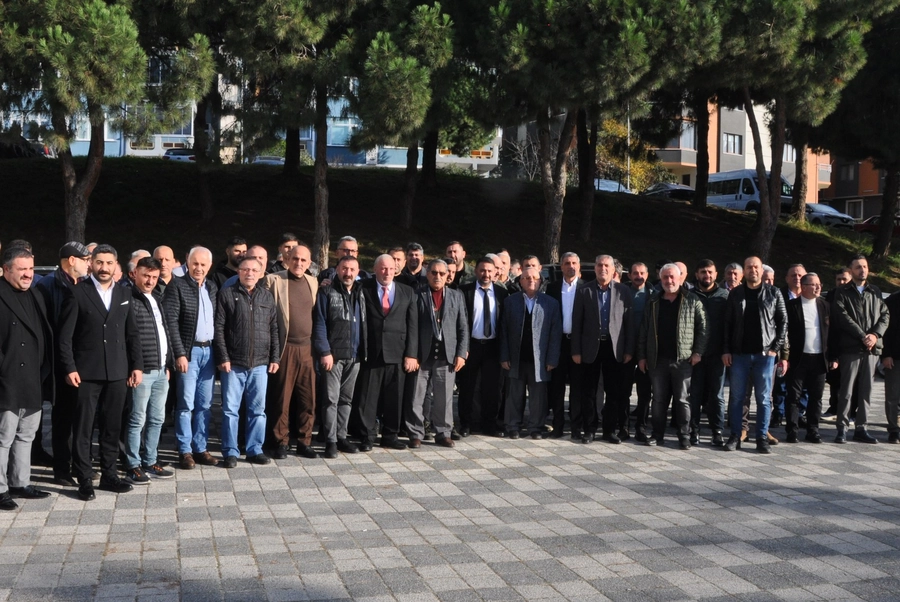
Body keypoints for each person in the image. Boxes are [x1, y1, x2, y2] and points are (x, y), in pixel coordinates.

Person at [58, 244, 144, 501]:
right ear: (91, 263)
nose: (104, 268)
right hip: (86, 373)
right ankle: (84, 478)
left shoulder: (124, 293)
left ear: (116, 265)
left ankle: (109, 475)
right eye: (99, 262)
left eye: (109, 263)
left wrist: (137, 365)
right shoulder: (77, 293)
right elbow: (65, 337)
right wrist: (69, 367)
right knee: (83, 428)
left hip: (118, 371)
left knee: (112, 427)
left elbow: (132, 334)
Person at [0, 247, 54, 510]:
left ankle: (20, 482)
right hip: (6, 379)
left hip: (33, 377)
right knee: (4, 437)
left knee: (27, 435)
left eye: (31, 269)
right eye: (22, 269)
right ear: (6, 269)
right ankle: (0, 489)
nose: (28, 274)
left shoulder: (36, 293)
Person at [215, 256, 281, 467]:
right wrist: (223, 357)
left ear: (261, 274)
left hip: (260, 364)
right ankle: (230, 451)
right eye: (245, 269)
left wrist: (275, 357)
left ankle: (254, 449)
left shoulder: (267, 297)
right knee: (230, 410)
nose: (249, 273)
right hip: (233, 364)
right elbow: (219, 329)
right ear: (238, 272)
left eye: (254, 270)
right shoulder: (227, 294)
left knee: (257, 411)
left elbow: (273, 329)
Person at [36, 241, 91, 482]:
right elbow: (48, 327)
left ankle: (80, 465)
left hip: (84, 361)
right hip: (60, 363)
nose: (89, 264)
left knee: (82, 418)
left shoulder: (85, 283)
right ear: (71, 260)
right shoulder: (48, 285)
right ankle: (61, 469)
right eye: (85, 259)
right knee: (62, 417)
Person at [637, 264, 707, 448]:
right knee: (658, 399)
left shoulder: (692, 300)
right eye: (665, 277)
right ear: (660, 279)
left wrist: (698, 352)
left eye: (672, 277)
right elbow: (644, 330)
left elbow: (703, 328)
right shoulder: (653, 301)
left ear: (680, 278)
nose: (669, 281)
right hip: (657, 359)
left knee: (682, 400)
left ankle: (684, 435)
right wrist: (642, 356)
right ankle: (657, 434)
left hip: (683, 360)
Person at [722, 256, 787, 454]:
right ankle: (735, 435)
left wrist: (775, 348)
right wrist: (726, 349)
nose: (753, 270)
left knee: (764, 398)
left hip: (765, 355)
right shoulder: (736, 294)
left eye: (756, 267)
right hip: (739, 354)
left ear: (761, 270)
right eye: (749, 267)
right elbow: (727, 324)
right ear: (745, 271)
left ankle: (761, 437)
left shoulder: (774, 292)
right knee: (737, 398)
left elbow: (783, 321)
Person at [354, 254, 418, 451]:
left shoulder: (407, 292)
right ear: (375, 270)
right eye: (383, 268)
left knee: (394, 397)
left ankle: (390, 435)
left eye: (391, 268)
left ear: (396, 270)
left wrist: (411, 354)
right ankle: (367, 436)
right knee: (367, 397)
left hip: (397, 353)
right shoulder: (362, 288)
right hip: (371, 352)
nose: (387, 272)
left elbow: (412, 325)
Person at [163, 246, 220, 470]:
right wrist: (179, 353)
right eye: (195, 263)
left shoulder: (212, 287)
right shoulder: (177, 286)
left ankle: (200, 447)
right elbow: (171, 323)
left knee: (204, 404)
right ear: (187, 262)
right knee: (185, 403)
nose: (198, 268)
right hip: (189, 353)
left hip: (209, 352)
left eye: (203, 265)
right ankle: (184, 450)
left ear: (209, 266)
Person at [263, 244, 319, 459]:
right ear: (287, 259)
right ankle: (280, 441)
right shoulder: (274, 280)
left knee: (308, 399)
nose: (299, 263)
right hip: (285, 348)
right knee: (281, 399)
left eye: (303, 260)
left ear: (309, 263)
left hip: (308, 349)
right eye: (295, 259)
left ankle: (305, 441)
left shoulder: (313, 282)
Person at [572, 255, 634, 444]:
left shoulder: (624, 291)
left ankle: (609, 430)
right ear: (595, 268)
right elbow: (577, 322)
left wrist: (629, 350)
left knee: (613, 392)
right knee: (589, 391)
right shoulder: (584, 291)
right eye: (599, 265)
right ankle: (589, 429)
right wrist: (576, 350)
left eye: (607, 265)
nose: (603, 268)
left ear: (613, 269)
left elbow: (629, 323)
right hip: (590, 347)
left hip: (614, 348)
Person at [406, 259, 469, 448]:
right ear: (428, 273)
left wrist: (461, 353)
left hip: (446, 355)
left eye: (442, 273)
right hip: (422, 355)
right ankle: (416, 433)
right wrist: (412, 354)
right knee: (416, 397)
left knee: (444, 398)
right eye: (434, 272)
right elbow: (411, 327)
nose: (438, 276)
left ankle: (443, 433)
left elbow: (463, 327)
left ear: (448, 275)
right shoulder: (417, 295)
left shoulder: (456, 296)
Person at [123, 258, 175, 483]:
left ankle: (151, 461)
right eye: (146, 275)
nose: (150, 281)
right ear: (135, 273)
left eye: (154, 277)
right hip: (141, 371)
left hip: (161, 370)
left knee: (157, 418)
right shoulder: (128, 298)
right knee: (137, 419)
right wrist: (134, 367)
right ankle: (132, 465)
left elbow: (165, 332)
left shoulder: (157, 298)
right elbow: (128, 337)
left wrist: (168, 364)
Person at [313, 255, 367, 458]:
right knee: (331, 400)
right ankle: (331, 441)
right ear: (337, 269)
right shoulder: (326, 291)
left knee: (346, 399)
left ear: (358, 272)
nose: (348, 273)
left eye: (352, 269)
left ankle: (342, 436)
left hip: (355, 355)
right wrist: (325, 351)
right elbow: (319, 323)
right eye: (344, 268)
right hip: (333, 356)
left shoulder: (361, 292)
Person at [832, 254, 889, 444]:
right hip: (851, 348)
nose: (862, 270)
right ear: (851, 271)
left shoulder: (875, 291)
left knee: (866, 391)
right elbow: (843, 317)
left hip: (871, 349)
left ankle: (861, 428)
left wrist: (875, 335)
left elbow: (885, 315)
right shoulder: (842, 292)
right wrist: (862, 335)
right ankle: (842, 428)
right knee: (847, 390)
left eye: (864, 266)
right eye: (858, 267)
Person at [499, 268, 561, 439]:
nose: (531, 280)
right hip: (516, 357)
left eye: (534, 277)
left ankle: (536, 427)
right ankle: (513, 426)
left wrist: (552, 358)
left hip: (539, 359)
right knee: (514, 394)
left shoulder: (551, 303)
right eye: (526, 277)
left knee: (538, 396)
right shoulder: (510, 301)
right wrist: (504, 356)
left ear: (540, 281)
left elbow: (555, 333)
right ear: (520, 281)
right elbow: (503, 330)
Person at [457, 257, 509, 437]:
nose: (486, 274)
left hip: (493, 347)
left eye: (489, 271)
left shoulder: (502, 294)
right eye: (482, 270)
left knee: (492, 388)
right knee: (467, 387)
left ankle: (490, 424)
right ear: (476, 271)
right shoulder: (464, 291)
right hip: (471, 345)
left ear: (495, 272)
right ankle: (466, 423)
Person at [783, 272, 833, 444]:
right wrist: (785, 357)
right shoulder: (791, 306)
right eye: (814, 284)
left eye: (819, 284)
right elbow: (784, 332)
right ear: (803, 287)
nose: (818, 287)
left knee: (816, 397)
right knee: (793, 396)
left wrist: (833, 357)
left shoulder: (825, 305)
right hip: (798, 359)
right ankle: (792, 430)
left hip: (819, 358)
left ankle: (813, 430)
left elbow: (832, 333)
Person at [690, 259, 729, 446]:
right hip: (695, 355)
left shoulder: (725, 296)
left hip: (717, 354)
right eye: (703, 272)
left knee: (717, 395)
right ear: (697, 274)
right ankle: (693, 430)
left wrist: (727, 350)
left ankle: (717, 431)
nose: (707, 275)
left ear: (716, 274)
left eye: (710, 272)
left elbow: (730, 325)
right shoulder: (690, 295)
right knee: (694, 394)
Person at [546, 252, 583, 438]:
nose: (571, 266)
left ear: (579, 266)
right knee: (557, 387)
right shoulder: (552, 288)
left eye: (574, 263)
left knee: (577, 388)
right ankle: (558, 425)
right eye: (567, 263)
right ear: (561, 267)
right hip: (558, 343)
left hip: (577, 344)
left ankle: (576, 427)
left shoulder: (586, 288)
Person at [626, 262, 653, 443]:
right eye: (635, 273)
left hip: (646, 349)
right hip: (626, 348)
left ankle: (641, 427)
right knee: (623, 389)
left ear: (647, 275)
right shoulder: (621, 292)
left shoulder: (654, 295)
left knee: (644, 392)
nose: (639, 276)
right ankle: (623, 426)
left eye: (642, 273)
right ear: (629, 275)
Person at [882, 287, 900, 444]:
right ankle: (894, 430)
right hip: (895, 357)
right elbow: (885, 330)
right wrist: (886, 354)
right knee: (892, 396)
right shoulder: (892, 301)